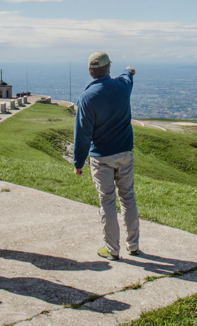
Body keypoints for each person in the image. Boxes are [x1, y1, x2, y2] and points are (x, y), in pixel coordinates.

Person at [72, 51, 139, 261]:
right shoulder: (122, 87)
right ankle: (133, 245)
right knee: (128, 199)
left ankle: (112, 249)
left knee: (107, 202)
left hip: (101, 157)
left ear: (90, 72)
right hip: (124, 153)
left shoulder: (87, 97)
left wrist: (78, 162)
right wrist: (129, 70)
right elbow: (127, 75)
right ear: (109, 68)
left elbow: (82, 134)